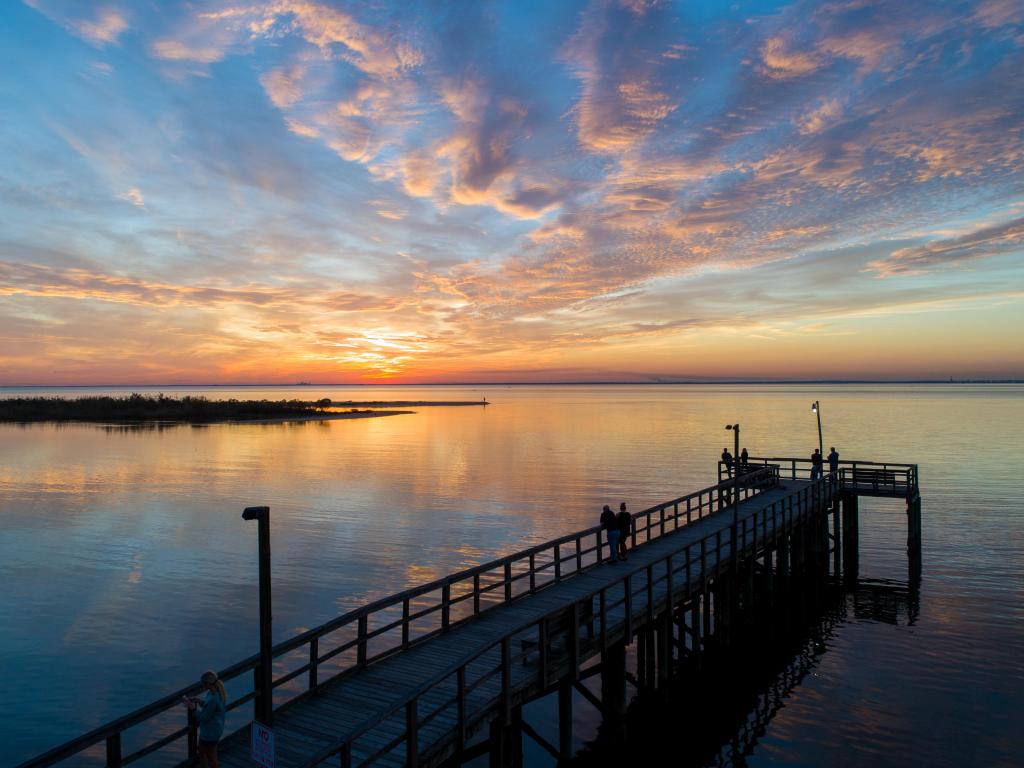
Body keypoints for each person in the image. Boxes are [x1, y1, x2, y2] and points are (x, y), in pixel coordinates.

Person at [184, 670, 227, 768]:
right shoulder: (216, 693)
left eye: (203, 683)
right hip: (216, 729)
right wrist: (199, 701)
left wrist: (193, 708)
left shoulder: (213, 699)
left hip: (210, 732)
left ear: (207, 683)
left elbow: (203, 718)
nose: (202, 685)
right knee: (209, 753)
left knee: (208, 755)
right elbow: (211, 709)